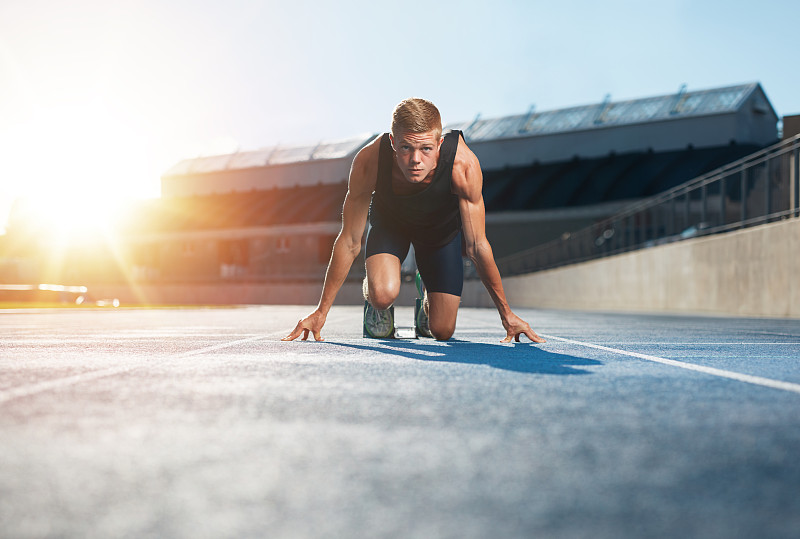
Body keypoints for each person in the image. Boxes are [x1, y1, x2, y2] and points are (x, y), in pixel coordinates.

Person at [282, 98, 545, 344]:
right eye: (406, 147)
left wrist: (507, 314)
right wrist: (321, 311)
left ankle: (427, 292)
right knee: (383, 295)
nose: (416, 160)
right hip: (391, 225)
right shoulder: (369, 161)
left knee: (442, 331)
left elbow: (477, 245)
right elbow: (350, 239)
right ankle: (374, 296)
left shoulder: (463, 166)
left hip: (439, 232)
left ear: (440, 143)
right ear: (393, 142)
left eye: (426, 149)